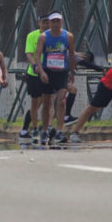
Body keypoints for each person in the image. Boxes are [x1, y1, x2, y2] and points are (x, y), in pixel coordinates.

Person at [34, 12, 77, 146]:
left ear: (62, 22)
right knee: (47, 103)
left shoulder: (68, 36)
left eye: (57, 21)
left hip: (62, 72)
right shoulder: (43, 37)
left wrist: (72, 71)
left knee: (62, 101)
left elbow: (71, 55)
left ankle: (59, 130)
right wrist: (41, 72)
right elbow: (37, 56)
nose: (55, 24)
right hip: (48, 72)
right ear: (50, 23)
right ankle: (46, 129)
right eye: (53, 22)